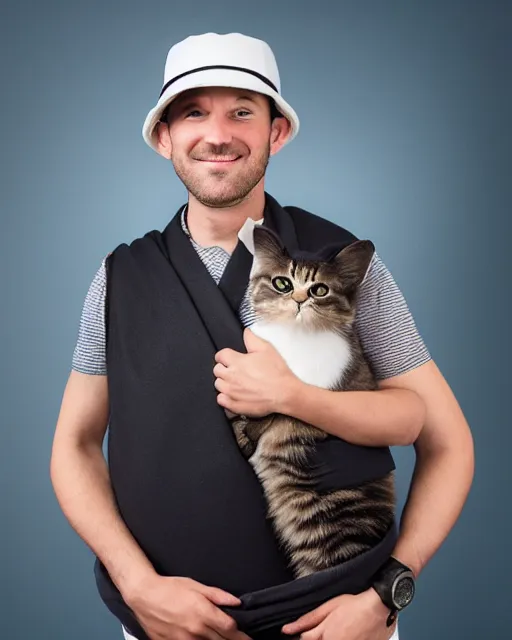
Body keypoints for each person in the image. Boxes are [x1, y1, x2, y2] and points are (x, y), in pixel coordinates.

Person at [50, 32, 474, 640]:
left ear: (276, 132)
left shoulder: (342, 266)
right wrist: (138, 585)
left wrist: (387, 594)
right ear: (163, 136)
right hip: (165, 622)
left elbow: (447, 441)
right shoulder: (120, 278)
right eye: (194, 112)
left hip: (338, 620)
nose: (218, 134)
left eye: (242, 112)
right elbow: (73, 446)